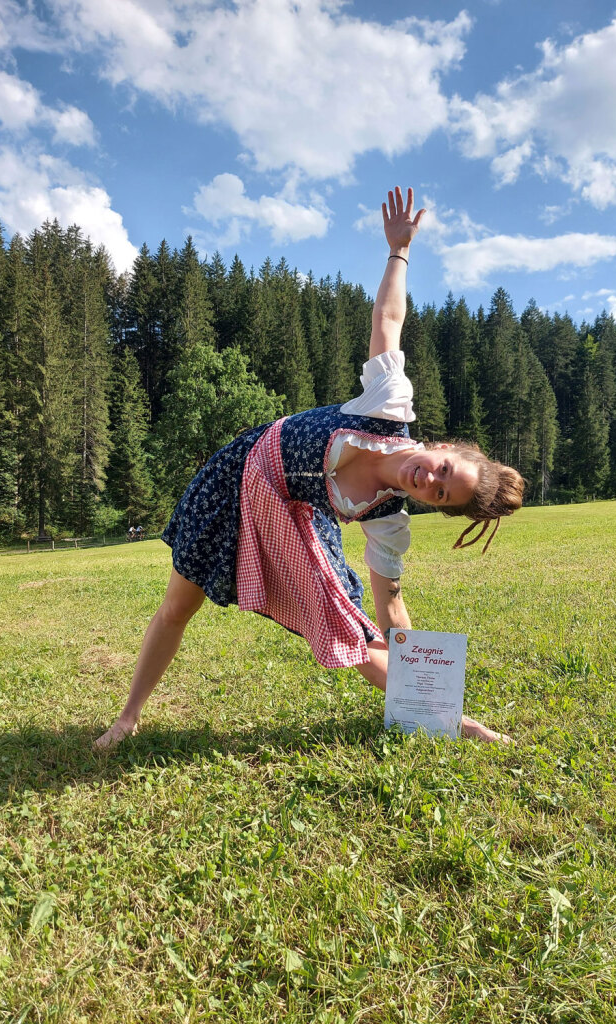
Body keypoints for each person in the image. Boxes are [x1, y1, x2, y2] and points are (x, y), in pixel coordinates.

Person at [94, 187, 524, 751]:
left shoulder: (388, 519)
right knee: (180, 603)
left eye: (441, 494)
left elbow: (390, 611)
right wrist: (399, 251)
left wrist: (437, 702)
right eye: (443, 468)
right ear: (441, 445)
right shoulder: (388, 405)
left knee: (342, 615)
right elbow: (389, 318)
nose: (431, 480)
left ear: (431, 505)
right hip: (241, 473)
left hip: (293, 516)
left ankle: (435, 717)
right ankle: (128, 716)